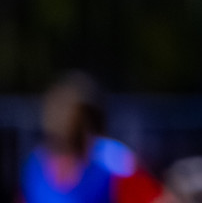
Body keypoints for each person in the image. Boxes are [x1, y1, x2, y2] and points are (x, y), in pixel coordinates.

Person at [21, 73, 163, 203]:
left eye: (70, 112)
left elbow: (149, 196)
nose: (60, 119)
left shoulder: (112, 159)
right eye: (55, 109)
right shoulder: (35, 164)